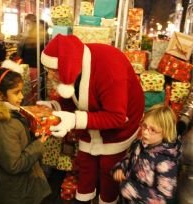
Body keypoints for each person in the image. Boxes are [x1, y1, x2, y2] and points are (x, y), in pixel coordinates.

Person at [40, 34, 144, 203]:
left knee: (108, 169)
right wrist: (54, 107)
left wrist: (74, 120)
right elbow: (72, 95)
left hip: (120, 127)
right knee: (86, 163)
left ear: (65, 67)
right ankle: (83, 199)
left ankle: (107, 200)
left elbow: (117, 117)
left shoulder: (110, 69)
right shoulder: (73, 62)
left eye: (52, 71)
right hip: (92, 121)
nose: (50, 76)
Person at [0, 68, 51, 204]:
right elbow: (14, 165)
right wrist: (39, 144)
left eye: (21, 91)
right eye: (16, 93)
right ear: (0, 95)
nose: (22, 97)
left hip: (22, 187)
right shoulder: (2, 125)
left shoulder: (11, 116)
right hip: (17, 193)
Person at [112, 104, 179, 204]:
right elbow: (129, 159)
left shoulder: (166, 162)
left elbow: (164, 198)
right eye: (144, 126)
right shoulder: (139, 144)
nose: (145, 132)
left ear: (165, 132)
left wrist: (131, 190)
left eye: (152, 130)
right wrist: (121, 168)